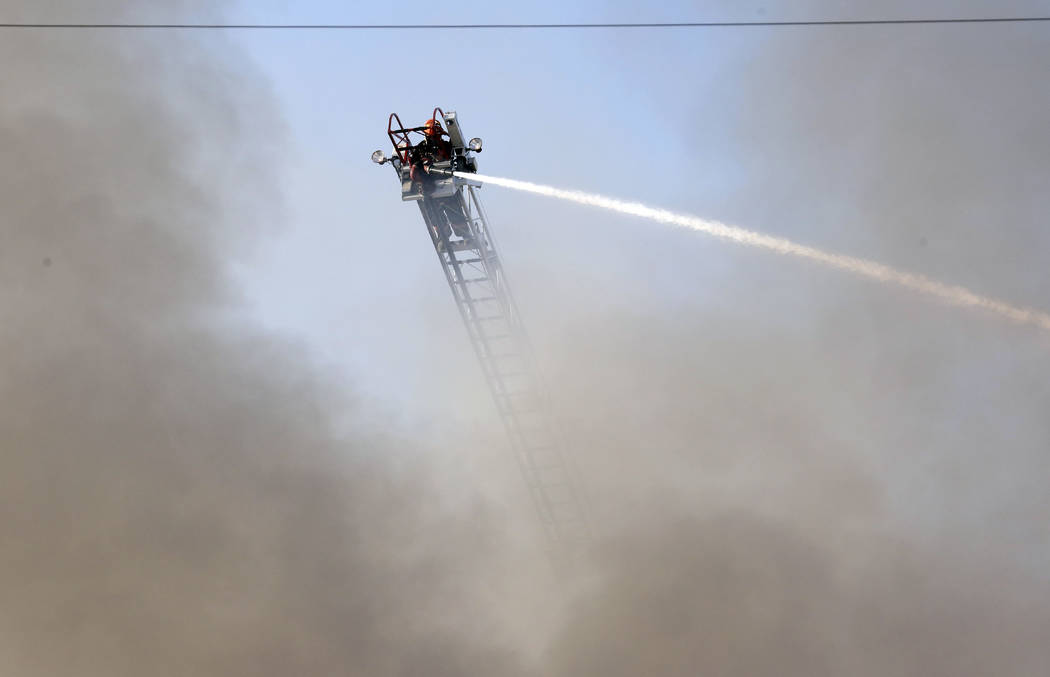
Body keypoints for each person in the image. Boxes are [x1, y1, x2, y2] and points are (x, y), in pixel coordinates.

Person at [410, 118, 471, 244]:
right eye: (432, 137)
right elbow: (413, 166)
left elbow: (456, 157)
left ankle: (465, 236)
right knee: (434, 214)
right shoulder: (419, 149)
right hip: (429, 186)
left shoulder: (447, 146)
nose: (434, 140)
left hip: (447, 182)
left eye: (436, 136)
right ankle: (443, 237)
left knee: (455, 211)